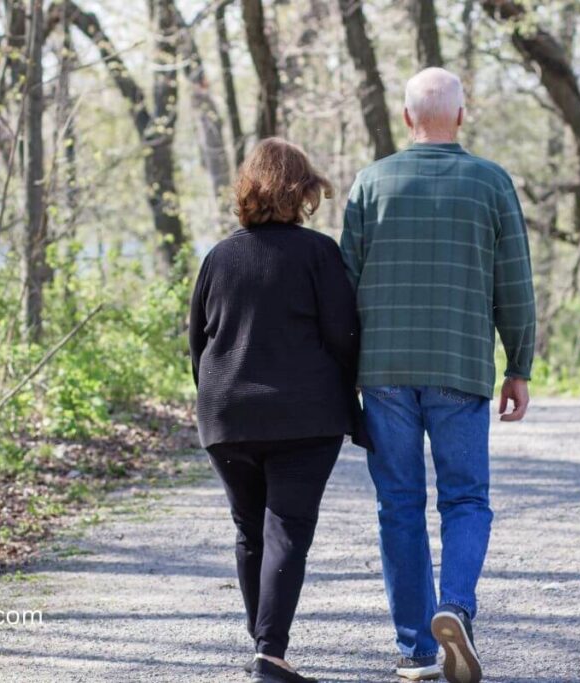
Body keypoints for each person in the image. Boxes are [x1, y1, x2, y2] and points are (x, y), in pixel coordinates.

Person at [340, 68, 536, 683]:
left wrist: (343, 371)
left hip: (385, 372)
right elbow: (516, 285)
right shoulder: (491, 182)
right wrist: (519, 366)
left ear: (406, 118)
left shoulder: (372, 182)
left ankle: (416, 649)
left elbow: (343, 287)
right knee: (466, 499)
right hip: (460, 364)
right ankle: (454, 607)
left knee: (398, 504)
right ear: (461, 115)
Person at [189, 138, 367, 683]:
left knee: (250, 529)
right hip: (304, 417)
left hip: (227, 415)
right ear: (303, 192)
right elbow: (344, 334)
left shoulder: (218, 257)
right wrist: (353, 393)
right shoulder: (318, 254)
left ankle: (265, 645)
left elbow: (198, 342)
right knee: (287, 526)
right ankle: (269, 652)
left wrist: (216, 396)